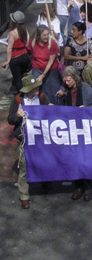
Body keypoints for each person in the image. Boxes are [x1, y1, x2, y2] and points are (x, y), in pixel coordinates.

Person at [8, 74, 50, 209]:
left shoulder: (42, 97)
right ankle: (24, 196)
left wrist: (51, 108)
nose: (37, 89)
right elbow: (10, 119)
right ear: (27, 90)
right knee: (24, 167)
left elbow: (49, 111)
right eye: (34, 88)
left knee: (43, 162)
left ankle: (45, 181)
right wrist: (17, 115)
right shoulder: (18, 100)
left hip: (40, 137)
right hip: (25, 138)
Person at [56, 66, 92, 200]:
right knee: (72, 158)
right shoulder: (64, 90)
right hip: (70, 128)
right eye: (65, 81)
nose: (66, 83)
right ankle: (78, 186)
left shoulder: (85, 88)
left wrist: (85, 108)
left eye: (68, 80)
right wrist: (60, 96)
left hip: (83, 128)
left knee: (84, 158)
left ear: (74, 78)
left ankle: (88, 187)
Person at [27, 25, 60, 103]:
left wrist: (43, 75)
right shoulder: (33, 42)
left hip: (51, 71)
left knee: (52, 90)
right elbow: (28, 51)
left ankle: (53, 106)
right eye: (44, 35)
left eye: (47, 34)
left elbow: (51, 61)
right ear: (39, 35)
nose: (46, 37)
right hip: (37, 69)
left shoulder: (52, 43)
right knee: (35, 89)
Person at [2, 11, 31, 92]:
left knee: (18, 80)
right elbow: (27, 43)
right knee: (22, 77)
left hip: (16, 59)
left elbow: (9, 48)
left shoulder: (12, 33)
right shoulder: (25, 30)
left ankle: (22, 96)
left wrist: (8, 61)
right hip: (25, 57)